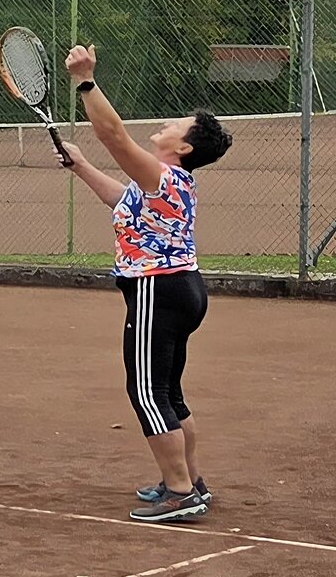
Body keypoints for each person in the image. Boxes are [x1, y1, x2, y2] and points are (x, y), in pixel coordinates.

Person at [61, 44, 232, 523]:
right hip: (182, 289)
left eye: (179, 124)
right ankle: (191, 481)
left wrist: (86, 81)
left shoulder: (164, 175)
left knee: (147, 394)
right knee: (168, 393)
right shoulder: (167, 182)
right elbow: (122, 200)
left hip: (158, 291)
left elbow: (114, 136)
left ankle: (180, 492)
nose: (168, 123)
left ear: (184, 148)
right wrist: (81, 166)